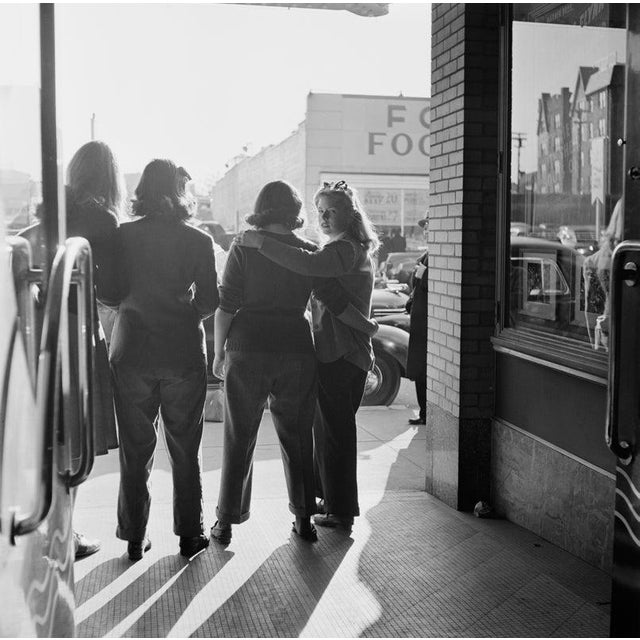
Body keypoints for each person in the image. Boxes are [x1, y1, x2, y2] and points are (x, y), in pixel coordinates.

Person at [211, 180, 376, 546]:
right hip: (297, 350)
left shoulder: (245, 244)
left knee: (240, 436)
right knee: (299, 438)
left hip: (248, 344)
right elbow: (330, 297)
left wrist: (219, 352)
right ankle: (304, 520)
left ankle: (225, 523)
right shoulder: (310, 251)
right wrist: (367, 327)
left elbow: (226, 304)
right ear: (296, 210)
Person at [20, 139, 124, 559]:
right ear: (109, 177)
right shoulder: (104, 220)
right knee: (75, 439)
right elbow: (116, 289)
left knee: (47, 434)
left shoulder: (50, 213)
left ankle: (48, 526)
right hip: (78, 335)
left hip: (40, 333)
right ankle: (64, 534)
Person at [110, 159, 218, 561]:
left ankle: (135, 536)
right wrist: (184, 313)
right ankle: (191, 534)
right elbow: (211, 301)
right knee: (185, 448)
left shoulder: (122, 236)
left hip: (132, 351)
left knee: (136, 450)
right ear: (180, 191)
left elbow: (108, 293)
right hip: (182, 352)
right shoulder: (197, 240)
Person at [405, 218, 428, 425]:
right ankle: (424, 413)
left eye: (430, 225)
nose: (426, 230)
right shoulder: (424, 256)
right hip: (420, 324)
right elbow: (415, 286)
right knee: (420, 371)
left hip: (430, 327)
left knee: (425, 370)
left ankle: (428, 413)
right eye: (425, 227)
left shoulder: (439, 256)